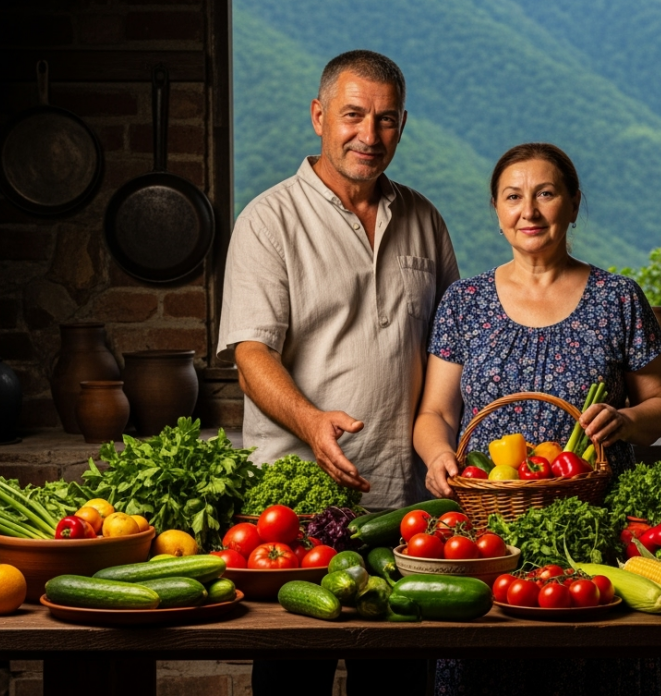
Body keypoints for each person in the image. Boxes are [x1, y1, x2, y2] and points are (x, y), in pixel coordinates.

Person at [218, 50, 459, 696]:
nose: (369, 135)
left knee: (399, 685)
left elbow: (452, 349)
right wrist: (311, 421)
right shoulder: (268, 220)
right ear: (319, 116)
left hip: (404, 507)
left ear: (402, 125)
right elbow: (251, 357)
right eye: (353, 115)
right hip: (295, 512)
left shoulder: (425, 220)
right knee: (292, 681)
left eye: (386, 119)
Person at [413, 142, 661, 695]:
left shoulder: (618, 298)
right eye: (513, 197)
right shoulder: (464, 301)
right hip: (488, 536)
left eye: (546, 194)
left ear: (574, 204)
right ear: (496, 210)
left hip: (593, 532)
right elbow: (435, 412)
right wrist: (438, 455)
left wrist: (627, 421)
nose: (528, 211)